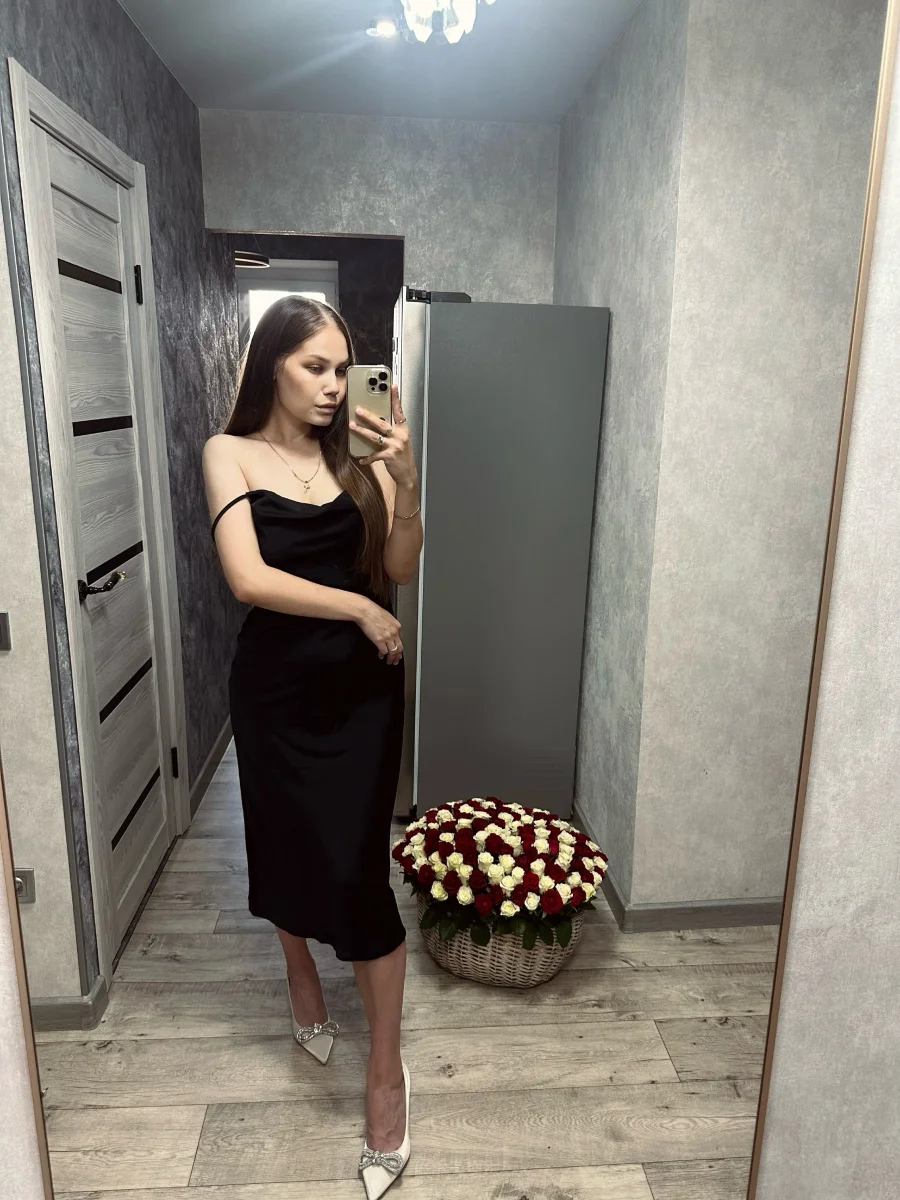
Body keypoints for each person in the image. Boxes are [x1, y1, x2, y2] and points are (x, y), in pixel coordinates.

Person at [202, 295, 423, 1199]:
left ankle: (386, 1077)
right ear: (273, 367)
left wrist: (406, 484)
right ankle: (299, 972)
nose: (335, 387)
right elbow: (248, 578)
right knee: (286, 841)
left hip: (361, 700)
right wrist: (360, 608)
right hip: (276, 694)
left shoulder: (357, 456)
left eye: (343, 368)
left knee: (358, 874)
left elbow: (399, 566)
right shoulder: (230, 453)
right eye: (315, 367)